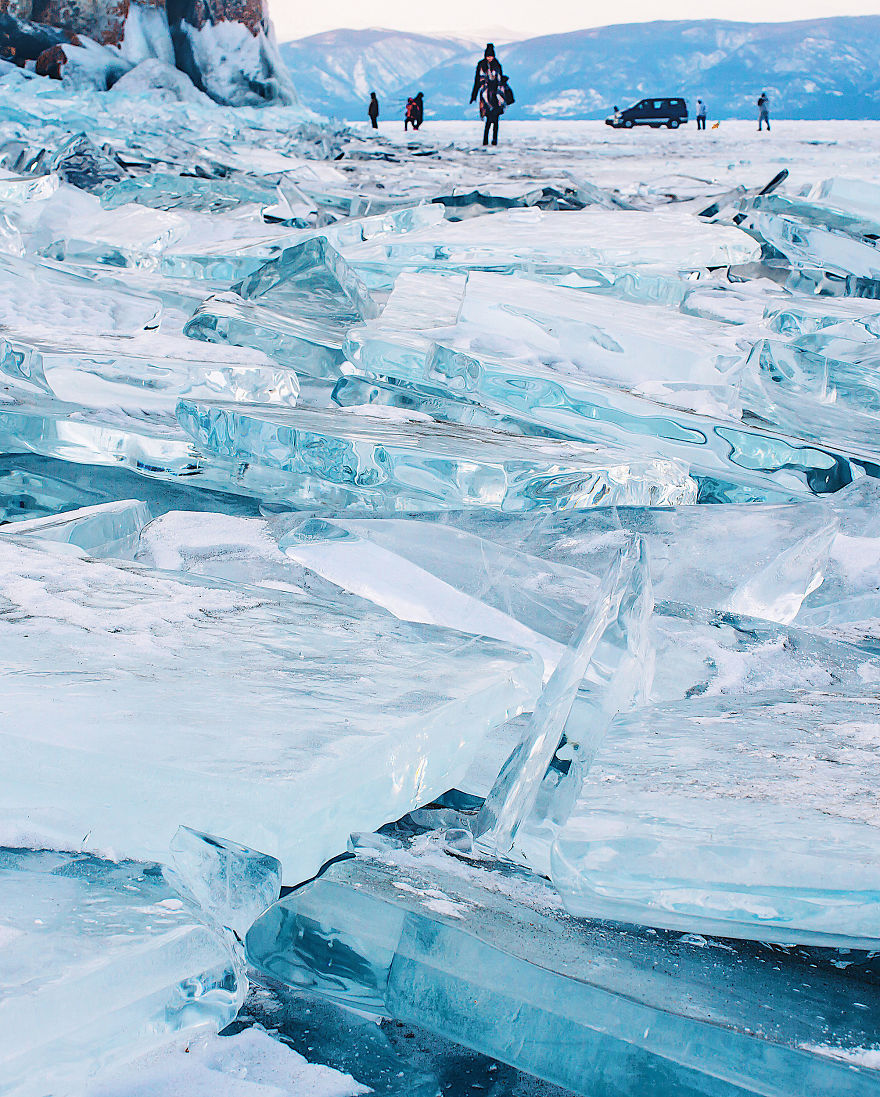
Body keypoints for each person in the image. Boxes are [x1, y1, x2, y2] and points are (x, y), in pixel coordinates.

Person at [469, 43, 506, 146]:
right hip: (486, 96)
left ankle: (494, 140)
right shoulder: (481, 65)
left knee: (496, 120)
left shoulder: (497, 65)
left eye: (491, 56)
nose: (489, 58)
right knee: (489, 119)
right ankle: (485, 141)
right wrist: (474, 95)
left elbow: (500, 79)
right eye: (488, 56)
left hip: (496, 95)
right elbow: (477, 80)